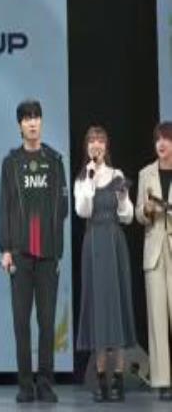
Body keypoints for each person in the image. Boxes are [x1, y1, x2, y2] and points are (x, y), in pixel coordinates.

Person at [0, 99, 68, 403]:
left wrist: (55, 245)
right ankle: (25, 385)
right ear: (20, 125)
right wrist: (5, 248)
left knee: (47, 322)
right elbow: (5, 207)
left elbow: (63, 206)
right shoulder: (11, 163)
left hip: (48, 254)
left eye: (36, 117)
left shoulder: (54, 160)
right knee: (21, 322)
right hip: (20, 254)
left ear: (41, 122)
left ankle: (45, 383)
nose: (32, 123)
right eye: (27, 118)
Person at [74, 126, 136, 402]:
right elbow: (82, 210)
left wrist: (122, 199)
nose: (96, 145)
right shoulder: (82, 178)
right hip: (93, 243)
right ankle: (101, 380)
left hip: (114, 241)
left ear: (106, 146)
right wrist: (89, 179)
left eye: (100, 140)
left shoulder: (117, 174)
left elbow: (127, 216)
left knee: (117, 305)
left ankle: (119, 379)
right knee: (98, 308)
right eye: (92, 141)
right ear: (87, 147)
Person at [136, 121, 172, 401]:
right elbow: (138, 214)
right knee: (157, 319)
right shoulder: (145, 173)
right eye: (158, 139)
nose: (162, 143)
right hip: (154, 252)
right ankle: (162, 380)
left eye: (167, 139)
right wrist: (147, 209)